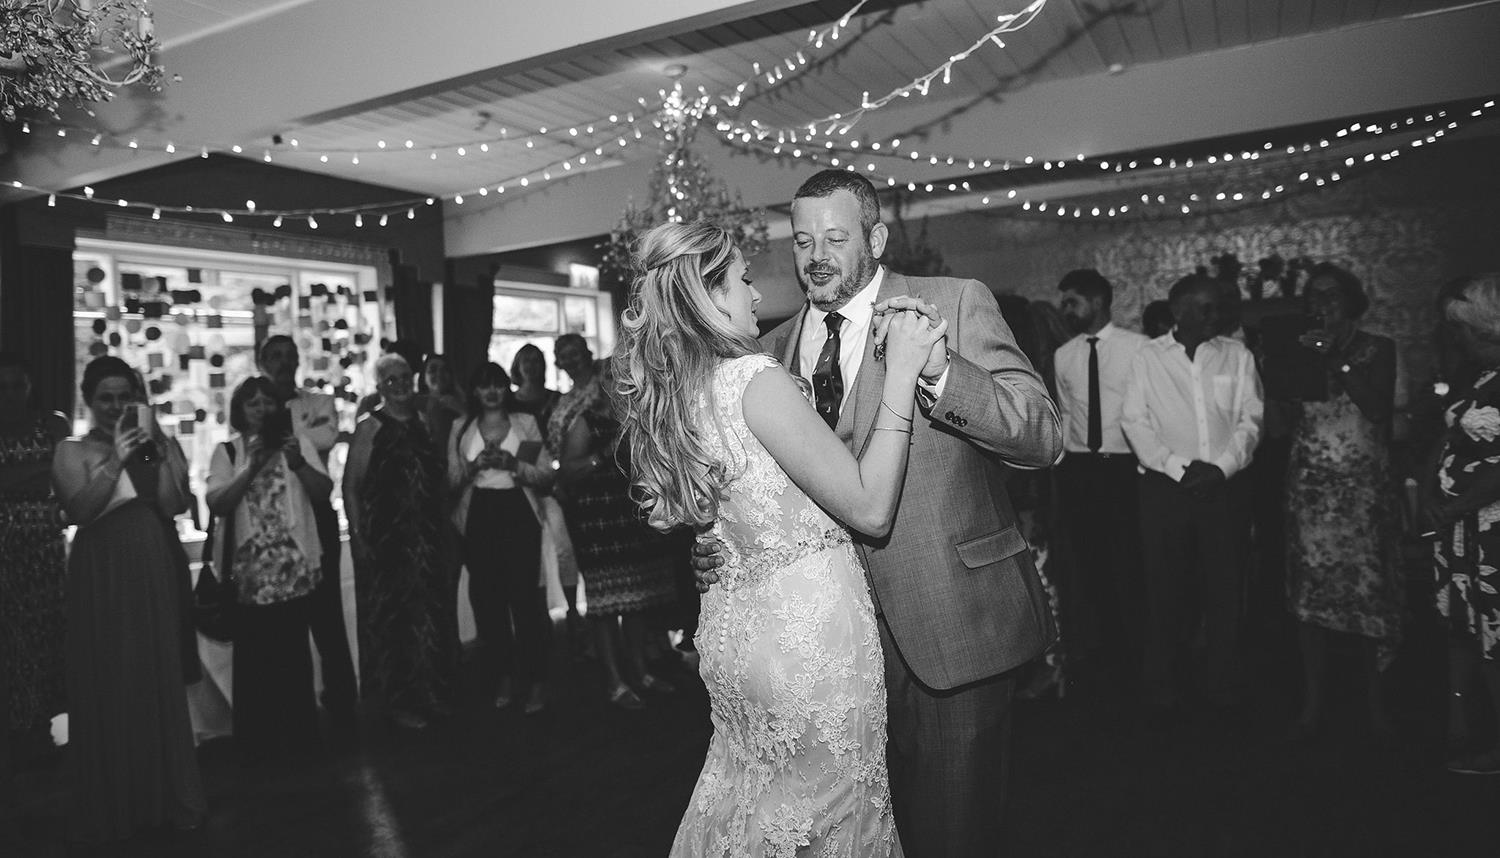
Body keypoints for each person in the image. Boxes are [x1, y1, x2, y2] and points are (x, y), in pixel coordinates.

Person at [695, 170, 1062, 856]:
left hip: (952, 624)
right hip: (823, 656)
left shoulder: (951, 302)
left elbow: (1042, 435)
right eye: (803, 241)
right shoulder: (764, 351)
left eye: (835, 236)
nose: (817, 256)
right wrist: (721, 541)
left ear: (877, 237)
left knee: (955, 837)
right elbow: (752, 489)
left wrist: (942, 375)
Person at [616, 220, 945, 855]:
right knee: (831, 817)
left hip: (734, 637)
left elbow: (725, 511)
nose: (757, 296)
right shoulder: (754, 381)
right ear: (708, 296)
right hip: (809, 644)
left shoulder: (682, 395)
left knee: (748, 800)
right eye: (741, 282)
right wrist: (902, 374)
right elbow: (872, 509)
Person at [51, 356, 205, 843]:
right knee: (112, 673)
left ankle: (166, 794)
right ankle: (117, 801)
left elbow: (172, 504)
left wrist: (158, 448)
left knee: (156, 669)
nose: (116, 406)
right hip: (103, 568)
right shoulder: (71, 449)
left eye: (125, 397)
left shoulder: (152, 443)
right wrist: (115, 457)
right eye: (106, 398)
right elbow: (79, 510)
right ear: (89, 401)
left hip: (151, 556)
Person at [1122, 273, 1264, 711]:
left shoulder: (1236, 355)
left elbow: (1251, 420)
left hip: (1224, 490)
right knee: (1165, 590)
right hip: (1165, 491)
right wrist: (1178, 468)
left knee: (1224, 588)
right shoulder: (1147, 356)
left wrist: (1220, 469)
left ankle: (1222, 685)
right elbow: (1134, 421)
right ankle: (1163, 684)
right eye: (1204, 308)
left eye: (1217, 307)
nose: (1215, 315)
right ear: (1178, 310)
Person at [1284, 264, 1401, 740]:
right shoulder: (1297, 349)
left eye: (1330, 295)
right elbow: (1282, 411)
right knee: (1311, 597)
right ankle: (1313, 704)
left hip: (1362, 488)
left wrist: (1340, 360)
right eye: (1312, 297)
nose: (1321, 304)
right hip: (1311, 487)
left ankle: (1378, 706)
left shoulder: (1379, 347)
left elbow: (1376, 408)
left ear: (1350, 299)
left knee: (1368, 590)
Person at [548, 333, 679, 709]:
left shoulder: (635, 421)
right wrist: (601, 454)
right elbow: (567, 473)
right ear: (600, 385)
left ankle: (641, 672)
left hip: (628, 521)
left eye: (622, 378)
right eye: (609, 379)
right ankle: (614, 681)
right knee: (606, 608)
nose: (617, 385)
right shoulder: (586, 422)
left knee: (635, 602)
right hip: (597, 526)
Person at [207, 377, 332, 762]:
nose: (261, 410)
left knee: (294, 655)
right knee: (254, 660)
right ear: (239, 411)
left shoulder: (297, 444)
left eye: (267, 403)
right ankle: (258, 745)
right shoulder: (228, 451)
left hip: (293, 565)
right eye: (252, 404)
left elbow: (323, 492)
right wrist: (249, 467)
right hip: (248, 570)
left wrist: (297, 462)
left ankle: (300, 740)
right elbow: (217, 503)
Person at [342, 354, 450, 730]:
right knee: (395, 622)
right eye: (391, 379)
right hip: (389, 543)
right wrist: (357, 537)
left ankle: (429, 694)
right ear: (379, 386)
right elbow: (350, 487)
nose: (400, 384)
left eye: (405, 376)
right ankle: (400, 702)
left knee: (429, 618)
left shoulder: (423, 421)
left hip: (426, 539)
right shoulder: (369, 427)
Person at [257, 335, 358, 727]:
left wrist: (285, 435)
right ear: (262, 361)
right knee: (284, 616)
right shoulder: (256, 406)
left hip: (316, 510)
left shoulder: (317, 402)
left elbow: (326, 437)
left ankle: (342, 699)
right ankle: (290, 706)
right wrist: (299, 434)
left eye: (289, 357)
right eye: (275, 357)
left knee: (326, 610)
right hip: (272, 517)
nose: (283, 363)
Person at [1053, 270, 1149, 673]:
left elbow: (1150, 413)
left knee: (1130, 563)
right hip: (1080, 470)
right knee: (1087, 564)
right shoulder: (1064, 355)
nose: (1065, 310)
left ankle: (1136, 651)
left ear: (1096, 301)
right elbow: (1068, 414)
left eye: (1072, 301)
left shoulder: (1140, 349)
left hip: (1128, 469)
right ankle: (1099, 655)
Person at [446, 363, 555, 715]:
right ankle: (503, 676)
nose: (491, 392)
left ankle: (537, 680)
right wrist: (475, 464)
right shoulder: (460, 427)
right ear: (474, 391)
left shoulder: (523, 423)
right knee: (488, 601)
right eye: (483, 386)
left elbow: (542, 473)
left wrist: (512, 463)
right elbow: (451, 481)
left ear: (504, 388)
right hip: (479, 514)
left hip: (518, 512)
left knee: (525, 601)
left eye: (496, 385)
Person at [1425, 272, 1500, 775]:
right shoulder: (1479, 378)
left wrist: (1455, 505)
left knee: (1495, 635)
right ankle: (1464, 721)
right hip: (1464, 530)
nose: (1459, 339)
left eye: (1465, 330)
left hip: (1490, 528)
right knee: (1465, 628)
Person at [0, 352, 68, 762]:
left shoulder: (54, 424)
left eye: (17, 385)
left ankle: (43, 724)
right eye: (2, 386)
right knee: (13, 641)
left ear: (30, 386)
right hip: (6, 554)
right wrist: (36, 476)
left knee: (49, 635)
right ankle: (17, 730)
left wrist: (15, 483)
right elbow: (44, 476)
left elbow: (64, 476)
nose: (10, 394)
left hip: (46, 549)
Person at [510, 344, 581, 639]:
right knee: (533, 552)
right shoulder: (511, 403)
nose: (532, 365)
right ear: (518, 366)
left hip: (556, 482)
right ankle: (538, 613)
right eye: (526, 360)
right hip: (524, 481)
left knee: (564, 548)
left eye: (537, 359)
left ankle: (573, 611)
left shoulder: (557, 399)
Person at [418, 354, 466, 450]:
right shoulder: (416, 404)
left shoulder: (461, 402)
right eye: (433, 370)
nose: (439, 374)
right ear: (423, 377)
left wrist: (461, 410)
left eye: (444, 370)